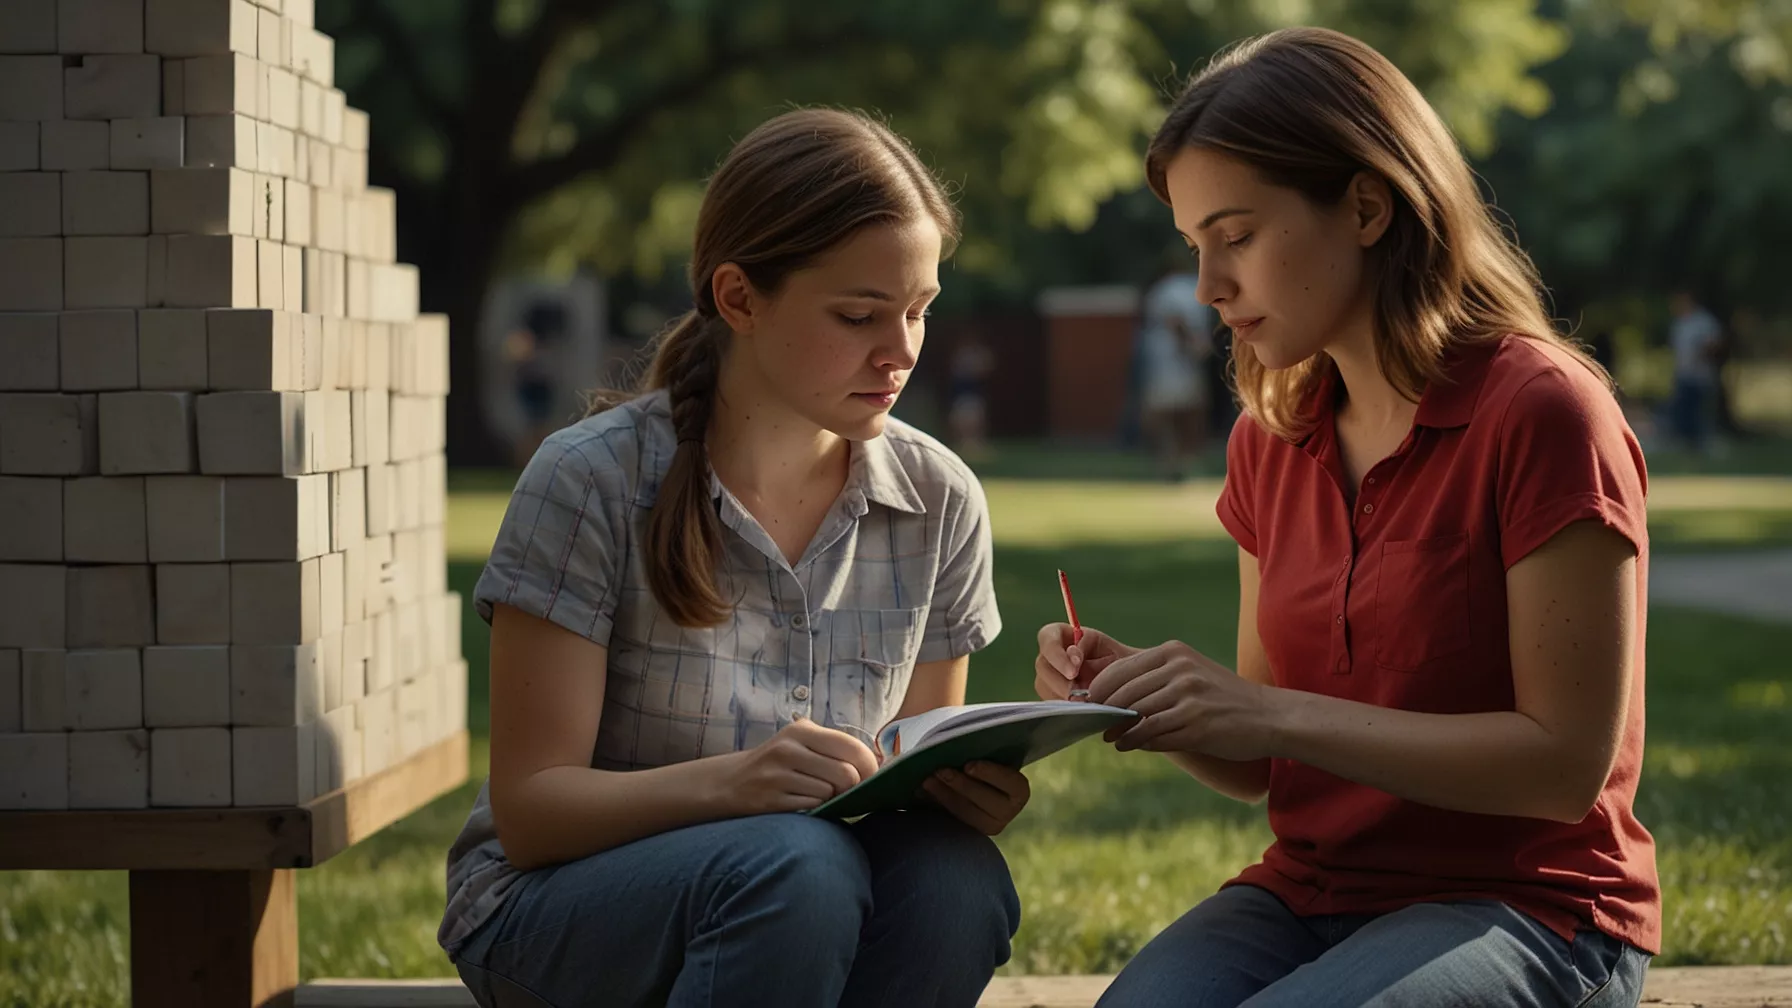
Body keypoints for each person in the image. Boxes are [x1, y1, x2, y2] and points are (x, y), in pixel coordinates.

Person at [1036, 28, 1656, 1008]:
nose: (1207, 285)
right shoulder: (1268, 440)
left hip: (1527, 904)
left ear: (1366, 206)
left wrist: (1267, 711)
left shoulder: (1541, 411)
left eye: (1235, 236)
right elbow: (1260, 761)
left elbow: (1560, 769)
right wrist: (1147, 696)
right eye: (1195, 246)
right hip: (1311, 891)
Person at [439, 108, 1027, 1008]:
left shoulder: (939, 501)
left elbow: (910, 770)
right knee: (797, 866)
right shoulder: (590, 481)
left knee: (956, 880)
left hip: (799, 903)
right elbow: (531, 815)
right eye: (860, 314)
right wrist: (734, 786)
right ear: (739, 298)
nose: (903, 350)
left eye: (919, 310)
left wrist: (960, 798)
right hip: (558, 912)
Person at [1137, 258, 1218, 480]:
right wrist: (1194, 345)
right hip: (1173, 361)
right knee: (1175, 412)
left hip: (1169, 362)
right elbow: (1176, 321)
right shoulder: (1179, 288)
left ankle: (1173, 462)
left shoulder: (1166, 289)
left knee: (1177, 412)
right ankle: (1177, 461)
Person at [1666, 290, 1725, 452]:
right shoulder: (1679, 323)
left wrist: (1701, 353)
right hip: (1683, 375)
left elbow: (1715, 344)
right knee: (1683, 413)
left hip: (1700, 376)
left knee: (1701, 414)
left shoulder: (1703, 321)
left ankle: (1704, 446)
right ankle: (1686, 446)